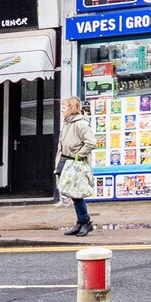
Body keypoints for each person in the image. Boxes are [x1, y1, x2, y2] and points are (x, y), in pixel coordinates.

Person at [56, 96, 96, 236]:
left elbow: (91, 142)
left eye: (65, 107)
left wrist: (80, 154)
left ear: (72, 108)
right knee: (73, 194)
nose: (62, 110)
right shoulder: (67, 122)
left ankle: (85, 222)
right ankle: (81, 222)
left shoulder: (81, 124)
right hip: (67, 160)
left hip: (76, 162)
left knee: (77, 194)